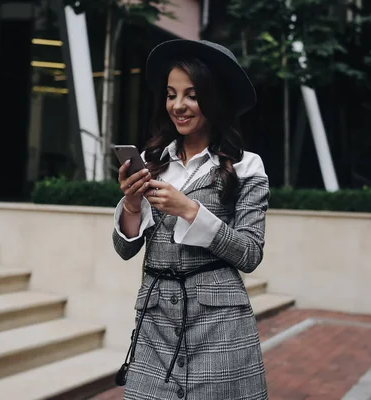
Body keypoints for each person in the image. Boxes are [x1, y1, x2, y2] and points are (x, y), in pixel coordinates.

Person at [112, 39, 270, 400]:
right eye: (171, 94)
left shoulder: (247, 166)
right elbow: (124, 250)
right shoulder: (153, 163)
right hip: (155, 327)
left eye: (192, 95)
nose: (178, 106)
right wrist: (132, 203)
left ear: (214, 101)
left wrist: (190, 210)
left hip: (220, 328)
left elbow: (249, 253)